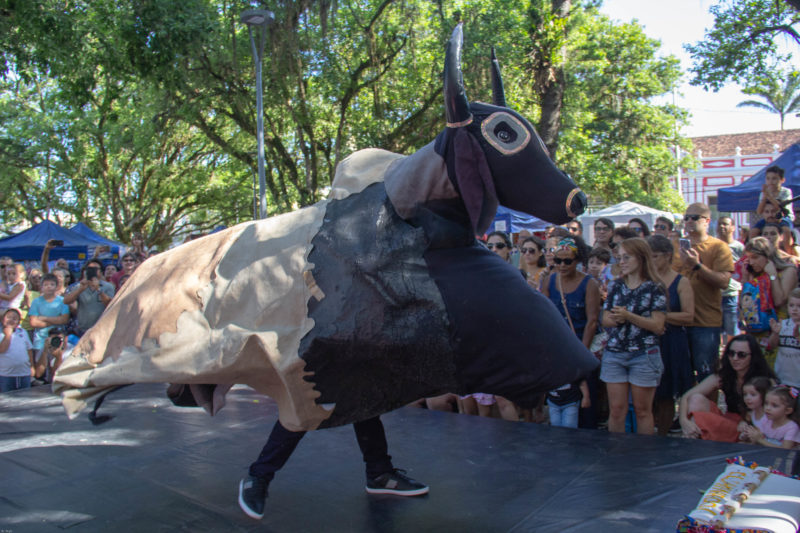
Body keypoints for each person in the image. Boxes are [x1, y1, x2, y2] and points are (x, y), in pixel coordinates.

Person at [239, 417, 428, 519]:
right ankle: (259, 475)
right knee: (303, 408)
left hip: (350, 350)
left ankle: (379, 474)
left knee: (365, 404)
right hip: (311, 351)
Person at [600, 237, 667, 435]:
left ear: (641, 257)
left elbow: (658, 324)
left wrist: (629, 316)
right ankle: (617, 454)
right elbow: (605, 319)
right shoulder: (616, 285)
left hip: (644, 353)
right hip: (615, 352)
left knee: (642, 410)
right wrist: (618, 318)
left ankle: (644, 457)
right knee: (617, 410)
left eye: (627, 257)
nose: (622, 261)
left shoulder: (655, 287)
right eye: (619, 257)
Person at [541, 236, 599, 428]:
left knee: (585, 396)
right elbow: (545, 316)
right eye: (558, 261)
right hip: (558, 350)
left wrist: (581, 352)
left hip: (582, 345)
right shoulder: (550, 281)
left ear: (578, 261)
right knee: (560, 396)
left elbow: (592, 321)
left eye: (568, 261)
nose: (562, 265)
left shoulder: (589, 284)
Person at [673, 203, 734, 383]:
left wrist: (696, 266)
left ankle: (707, 412)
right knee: (681, 377)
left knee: (707, 374)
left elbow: (724, 282)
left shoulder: (718, 247)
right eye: (687, 218)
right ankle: (685, 411)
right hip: (677, 320)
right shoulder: (675, 246)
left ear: (707, 221)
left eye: (695, 217)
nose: (689, 221)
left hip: (705, 322)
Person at [679, 334, 776, 442]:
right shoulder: (723, 376)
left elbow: (776, 413)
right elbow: (686, 397)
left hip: (752, 428)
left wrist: (750, 425)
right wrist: (683, 421)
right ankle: (694, 439)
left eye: (741, 355)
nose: (735, 358)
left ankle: (694, 443)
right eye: (731, 353)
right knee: (695, 399)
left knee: (697, 420)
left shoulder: (765, 381)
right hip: (730, 421)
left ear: (753, 357)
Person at [648, 235, 695, 436]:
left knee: (667, 393)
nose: (652, 261)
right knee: (648, 393)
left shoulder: (681, 281)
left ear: (668, 256)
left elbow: (688, 315)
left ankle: (663, 435)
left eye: (655, 256)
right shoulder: (645, 279)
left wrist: (660, 316)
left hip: (671, 341)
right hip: (648, 340)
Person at [63, 260, 115, 336]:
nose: (93, 271)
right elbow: (66, 301)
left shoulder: (108, 286)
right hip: (83, 329)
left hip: (101, 328)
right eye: (90, 269)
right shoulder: (79, 286)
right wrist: (81, 289)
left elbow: (109, 304)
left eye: (95, 269)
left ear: (101, 272)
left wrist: (98, 289)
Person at [28, 273, 70, 362]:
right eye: (46, 285)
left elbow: (64, 319)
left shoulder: (62, 301)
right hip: (40, 341)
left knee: (56, 365)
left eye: (52, 284)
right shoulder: (36, 302)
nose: (49, 287)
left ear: (56, 286)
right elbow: (33, 322)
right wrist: (56, 320)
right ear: (42, 286)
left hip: (58, 339)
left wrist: (43, 318)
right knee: (41, 369)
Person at [717, 216, 744, 344]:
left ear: (732, 227)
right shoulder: (713, 245)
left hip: (732, 294)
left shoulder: (739, 247)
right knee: (716, 332)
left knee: (732, 332)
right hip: (715, 294)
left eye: (725, 224)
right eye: (720, 224)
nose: (722, 227)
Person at [768, 287, 800, 388]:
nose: (794, 309)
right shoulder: (783, 324)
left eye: (799, 306)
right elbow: (771, 346)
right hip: (782, 379)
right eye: (791, 305)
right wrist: (775, 333)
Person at [0, 308, 35, 392]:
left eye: (15, 318)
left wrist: (32, 366)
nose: (11, 320)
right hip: (5, 375)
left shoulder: (23, 332)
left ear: (19, 322)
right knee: (7, 400)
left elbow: (29, 350)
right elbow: (2, 349)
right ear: (2, 319)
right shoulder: (1, 334)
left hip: (24, 373)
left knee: (24, 398)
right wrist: (8, 334)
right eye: (8, 317)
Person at [737, 376, 771, 442]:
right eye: (745, 394)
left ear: (764, 395)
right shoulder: (750, 414)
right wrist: (745, 431)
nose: (747, 398)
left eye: (753, 394)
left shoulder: (769, 416)